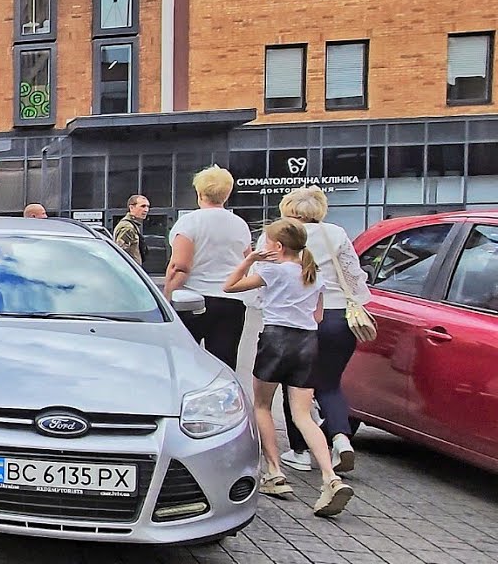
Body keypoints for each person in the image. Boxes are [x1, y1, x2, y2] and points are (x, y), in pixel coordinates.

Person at [224, 218, 355, 518]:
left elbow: (229, 286)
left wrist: (250, 259)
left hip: (275, 340)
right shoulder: (313, 274)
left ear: (278, 246)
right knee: (303, 414)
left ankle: (274, 472)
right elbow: (318, 315)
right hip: (307, 343)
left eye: (266, 241)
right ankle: (329, 477)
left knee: (262, 406)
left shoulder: (271, 270)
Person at [257, 186, 372, 475]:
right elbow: (353, 276)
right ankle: (341, 439)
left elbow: (261, 279)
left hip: (300, 321)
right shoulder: (336, 233)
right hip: (339, 318)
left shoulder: (277, 234)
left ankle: (299, 451)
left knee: (293, 383)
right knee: (330, 383)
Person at [164, 165, 252, 369]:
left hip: (192, 300)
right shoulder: (240, 224)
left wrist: (167, 296)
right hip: (231, 302)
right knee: (224, 363)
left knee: (185, 362)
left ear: (200, 192)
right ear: (227, 193)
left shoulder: (189, 222)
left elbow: (180, 266)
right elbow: (246, 262)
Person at [112, 194, 151, 265]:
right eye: (142, 206)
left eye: (148, 206)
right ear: (131, 207)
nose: (146, 210)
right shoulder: (127, 227)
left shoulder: (133, 226)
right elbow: (121, 253)